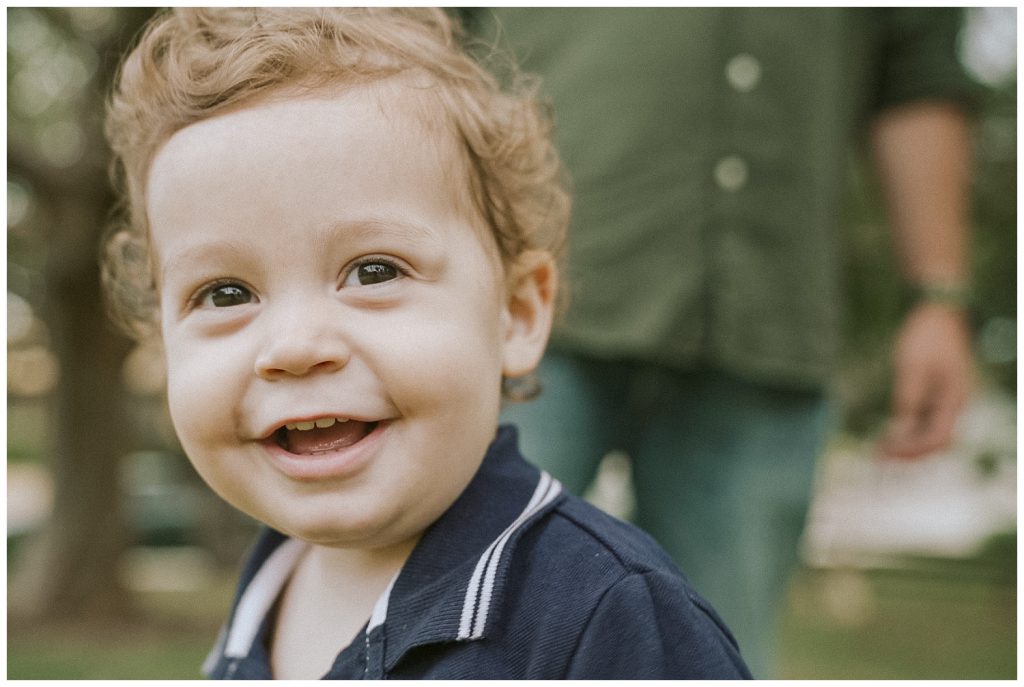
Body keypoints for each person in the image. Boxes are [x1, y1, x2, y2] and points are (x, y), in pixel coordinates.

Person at [101, 8, 751, 680]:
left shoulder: (611, 618)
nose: (293, 346)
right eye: (226, 293)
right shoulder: (270, 581)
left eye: (373, 271)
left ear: (516, 313)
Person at [468, 7, 977, 677]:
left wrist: (938, 300)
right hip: (513, 311)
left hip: (765, 328)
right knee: (460, 633)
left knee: (713, 657)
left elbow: (919, 75)